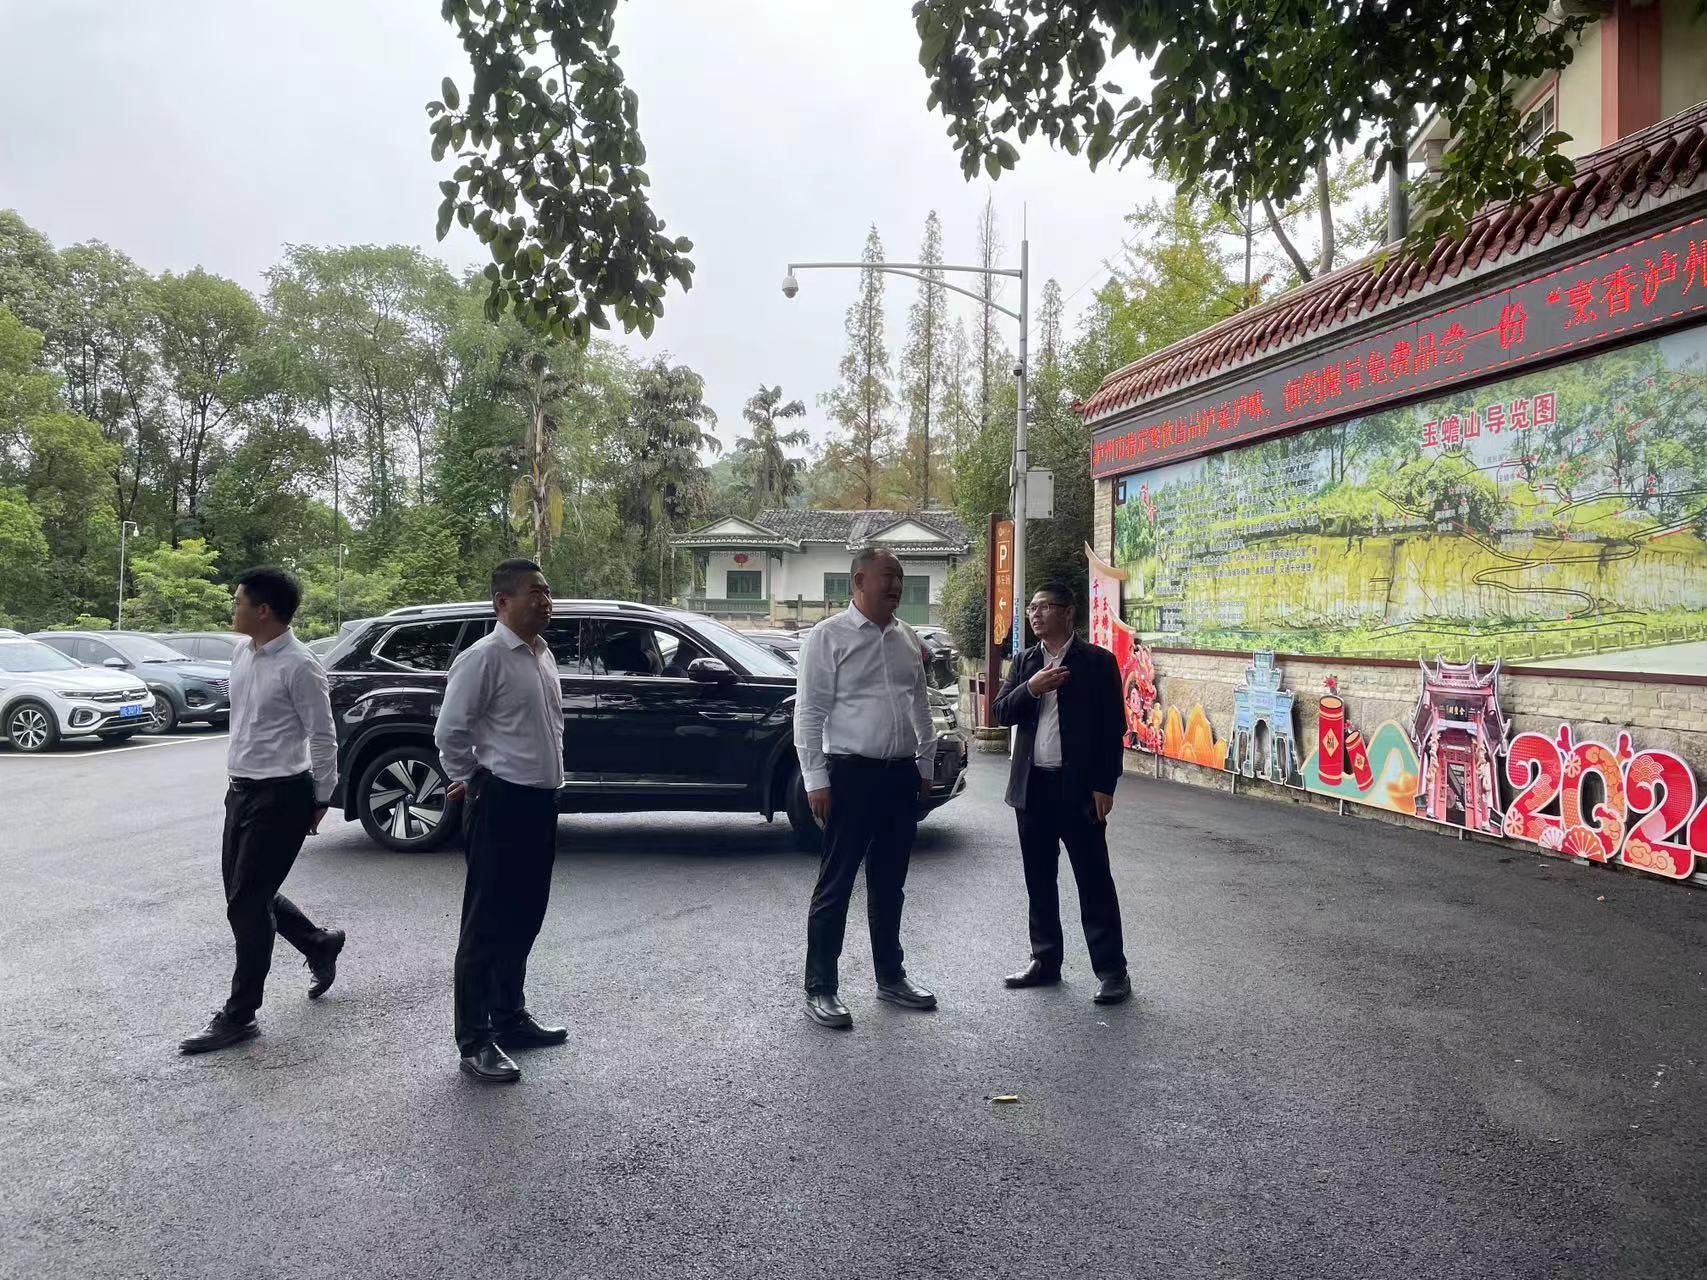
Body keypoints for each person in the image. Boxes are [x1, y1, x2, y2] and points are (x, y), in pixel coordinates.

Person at [179, 567, 346, 1054]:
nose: (233, 608)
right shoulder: (242, 652)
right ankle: (318, 942)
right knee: (245, 893)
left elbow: (323, 736)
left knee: (247, 903)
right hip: (242, 791)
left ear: (264, 610)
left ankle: (240, 1014)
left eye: (238, 601)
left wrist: (321, 798)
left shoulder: (301, 665)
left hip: (282, 796)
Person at [435, 559, 567, 1083]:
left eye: (548, 591)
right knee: (486, 924)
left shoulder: (542, 654)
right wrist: (471, 778)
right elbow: (451, 731)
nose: (546, 601)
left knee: (524, 916)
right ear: (502, 602)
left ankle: (510, 1017)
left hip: (540, 802)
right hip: (500, 802)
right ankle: (474, 1039)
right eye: (535, 592)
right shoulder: (483, 658)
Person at [795, 547, 938, 1029]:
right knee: (836, 883)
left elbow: (919, 704)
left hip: (900, 776)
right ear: (858, 581)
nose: (896, 585)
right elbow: (809, 713)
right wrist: (816, 779)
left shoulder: (906, 637)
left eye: (900, 577)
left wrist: (924, 763)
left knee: (890, 884)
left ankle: (891, 977)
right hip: (850, 775)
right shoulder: (828, 636)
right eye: (887, 576)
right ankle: (821, 988)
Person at [994, 582, 1132, 1006]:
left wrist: (1105, 785)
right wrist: (1031, 687)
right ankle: (1045, 960)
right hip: (1031, 788)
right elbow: (1001, 712)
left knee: (1094, 880)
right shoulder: (1026, 661)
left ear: (1068, 612)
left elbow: (1113, 729)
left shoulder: (1097, 662)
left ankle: (1112, 972)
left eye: (1045, 607)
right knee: (1039, 880)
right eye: (1032, 608)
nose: (1035, 614)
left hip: (1080, 790)